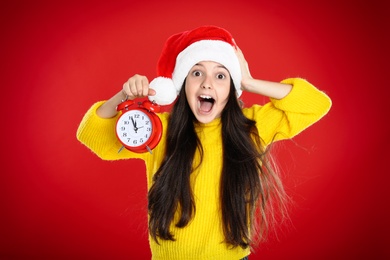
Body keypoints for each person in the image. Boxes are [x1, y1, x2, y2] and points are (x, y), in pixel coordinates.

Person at [76, 25, 332, 260]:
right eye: (196, 72)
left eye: (221, 76)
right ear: (182, 84)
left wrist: (249, 82)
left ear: (231, 88)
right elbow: (91, 135)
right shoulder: (158, 130)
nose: (207, 83)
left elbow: (317, 104)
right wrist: (123, 95)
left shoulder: (252, 127)